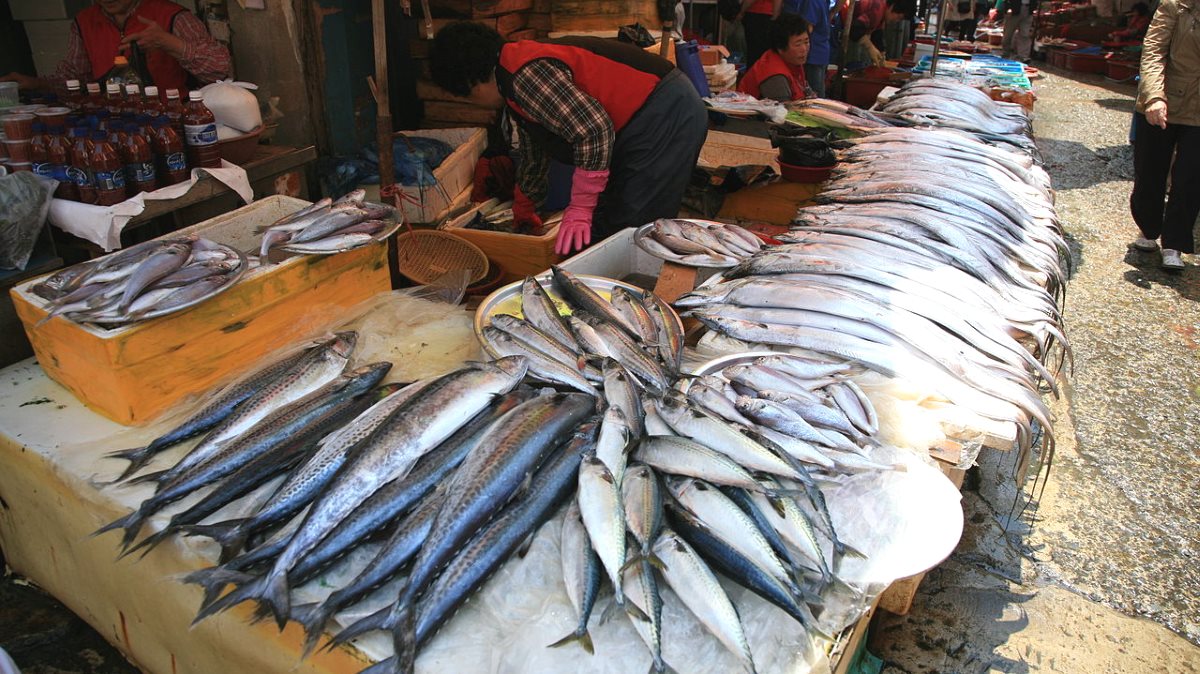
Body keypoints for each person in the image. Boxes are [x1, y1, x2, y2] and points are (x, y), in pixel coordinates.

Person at [430, 22, 709, 256]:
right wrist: (525, 205)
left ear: (469, 82)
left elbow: (593, 129)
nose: (476, 104)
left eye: (466, 96)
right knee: (606, 224)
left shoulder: (523, 74)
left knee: (630, 231)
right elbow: (534, 152)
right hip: (643, 121)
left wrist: (580, 208)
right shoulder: (511, 84)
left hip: (665, 113)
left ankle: (639, 299)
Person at [1, 0, 230, 93]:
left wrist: (170, 43)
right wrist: (36, 83)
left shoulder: (172, 15)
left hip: (173, 123)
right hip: (116, 128)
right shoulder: (84, 22)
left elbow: (220, 67)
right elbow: (74, 77)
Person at [1127, 0, 1200, 270]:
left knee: (1191, 178)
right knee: (1150, 171)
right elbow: (1154, 52)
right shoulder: (1174, 6)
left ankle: (1175, 243)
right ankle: (1148, 228)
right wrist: (1155, 97)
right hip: (1164, 100)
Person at [738, 14, 814, 101]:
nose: (804, 49)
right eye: (798, 44)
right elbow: (782, 112)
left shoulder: (793, 62)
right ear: (780, 48)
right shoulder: (775, 76)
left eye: (806, 42)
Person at [846, 0, 914, 67]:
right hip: (841, 24)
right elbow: (854, 29)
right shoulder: (877, 9)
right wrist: (870, 47)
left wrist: (882, 53)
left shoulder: (882, 10)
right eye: (898, 17)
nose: (896, 21)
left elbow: (877, 34)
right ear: (892, 7)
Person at [787, 0, 832, 96]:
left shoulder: (812, 2)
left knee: (815, 97)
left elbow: (808, 29)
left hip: (813, 54)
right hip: (821, 51)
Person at [740, 0, 783, 78]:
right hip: (768, 15)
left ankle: (751, 83)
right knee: (765, 57)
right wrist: (775, 16)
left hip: (757, 14)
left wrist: (741, 11)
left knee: (754, 56)